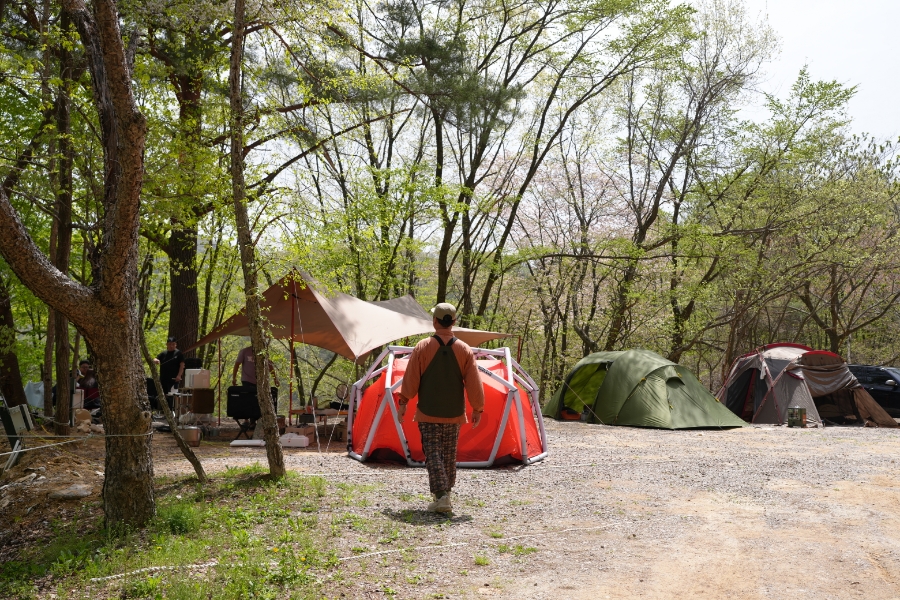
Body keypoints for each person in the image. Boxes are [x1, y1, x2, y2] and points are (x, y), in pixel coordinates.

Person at [397, 303, 484, 513]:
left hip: (428, 412)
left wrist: (403, 403)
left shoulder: (423, 347)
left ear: (434, 321)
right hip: (454, 413)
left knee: (433, 453)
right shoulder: (464, 349)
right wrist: (478, 408)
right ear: (453, 322)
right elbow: (474, 383)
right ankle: (446, 494)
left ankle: (442, 496)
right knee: (448, 454)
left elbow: (411, 380)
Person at [153, 337, 185, 403]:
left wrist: (179, 375)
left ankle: (173, 410)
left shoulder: (178, 353)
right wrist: (156, 360)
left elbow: (182, 365)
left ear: (176, 344)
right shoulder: (164, 353)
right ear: (167, 345)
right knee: (163, 395)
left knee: (173, 396)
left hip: (174, 379)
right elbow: (155, 359)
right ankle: (164, 410)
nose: (171, 346)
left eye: (173, 344)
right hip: (163, 378)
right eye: (169, 344)